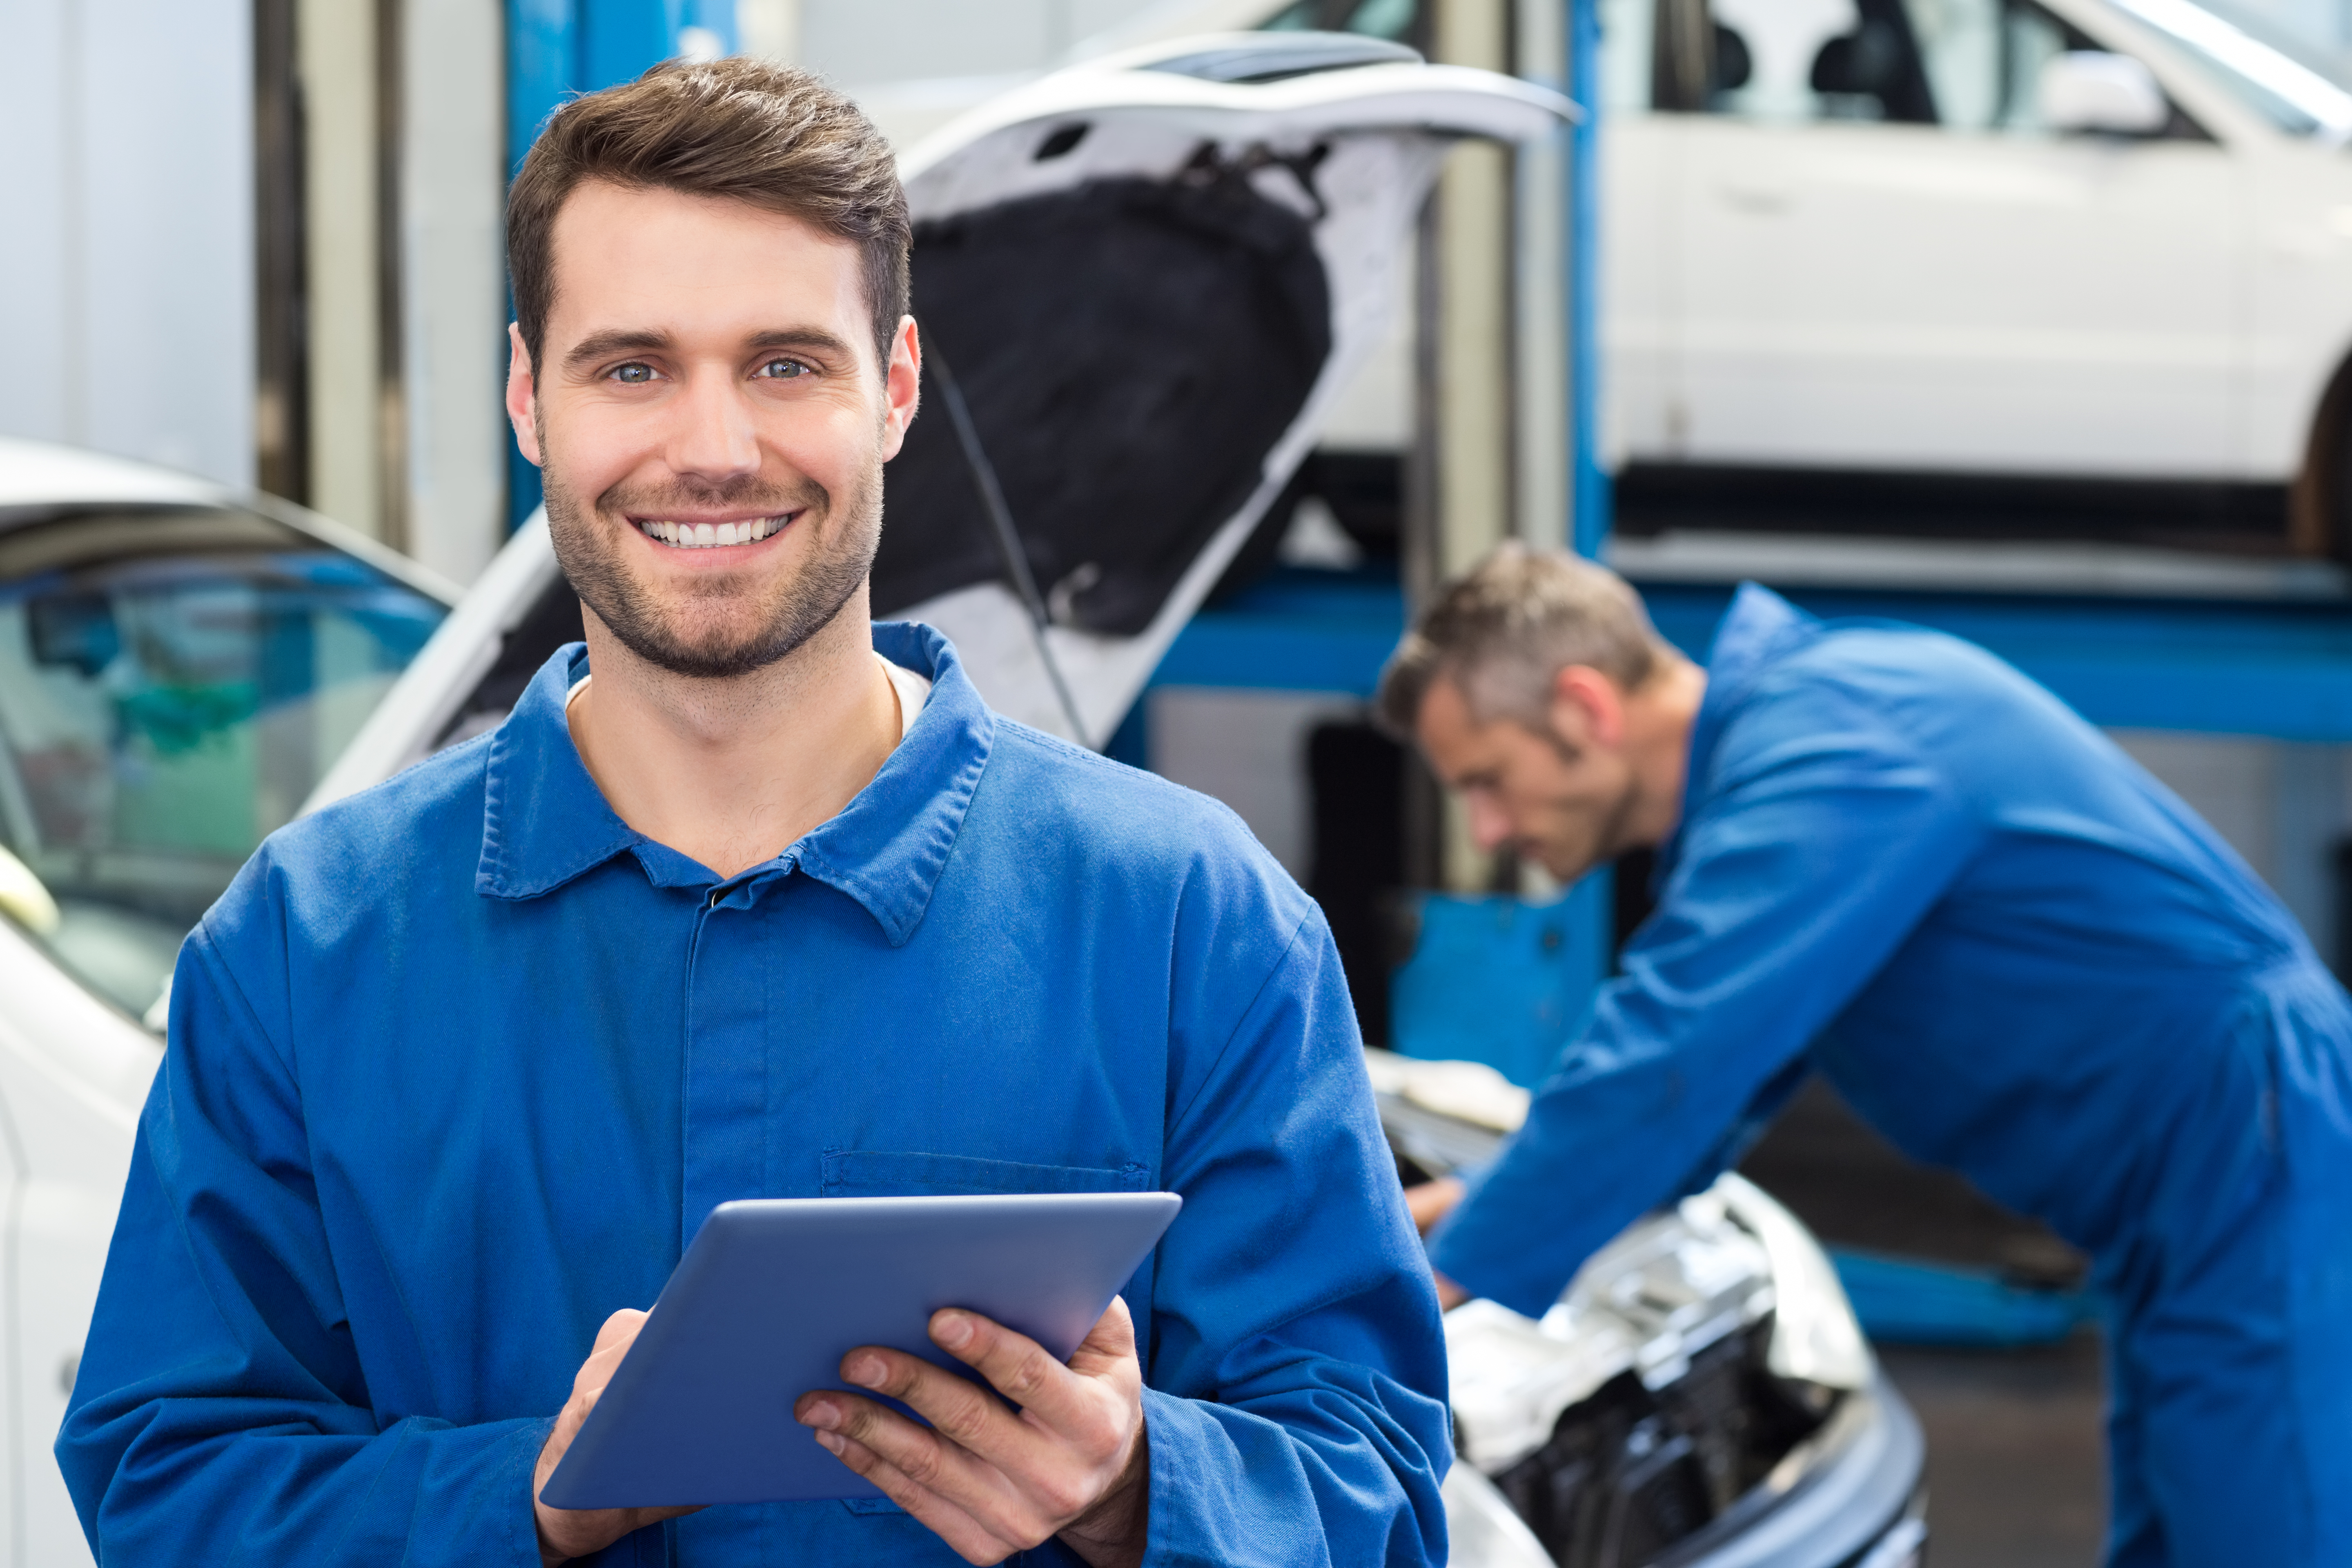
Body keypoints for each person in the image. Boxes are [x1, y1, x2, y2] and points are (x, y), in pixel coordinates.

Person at [57, 59, 1449, 1568]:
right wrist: (526, 1497)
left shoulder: (1190, 925)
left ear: (897, 386)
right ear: (532, 396)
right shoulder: (306, 946)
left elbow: (1376, 1480)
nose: (712, 447)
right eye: (632, 366)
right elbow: (169, 1484)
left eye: (785, 363)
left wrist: (1134, 1488)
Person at [1386, 544, 2352, 1568]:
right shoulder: (1806, 746)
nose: (1488, 829)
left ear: (1585, 707)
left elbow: (1670, 1050)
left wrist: (1415, 1281)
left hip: (2256, 1145)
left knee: (2266, 1537)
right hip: (2198, 1187)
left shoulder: (1838, 744)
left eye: (1487, 780)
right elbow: (1703, 1099)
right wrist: (1483, 1198)